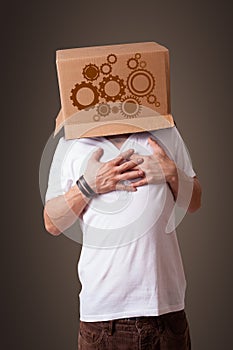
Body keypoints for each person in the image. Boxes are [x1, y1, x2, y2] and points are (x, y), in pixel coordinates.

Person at [43, 125, 202, 350]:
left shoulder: (166, 131)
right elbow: (52, 222)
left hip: (165, 313)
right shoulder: (71, 143)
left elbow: (194, 201)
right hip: (103, 319)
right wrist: (88, 186)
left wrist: (172, 173)